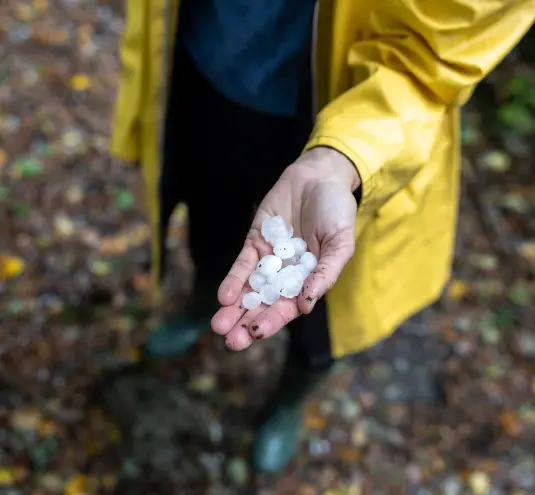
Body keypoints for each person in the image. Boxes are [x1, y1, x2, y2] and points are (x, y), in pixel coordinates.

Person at [111, 0, 533, 473]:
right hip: (204, 67)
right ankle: (201, 302)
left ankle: (290, 399)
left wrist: (343, 156)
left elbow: (438, 54)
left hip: (352, 123)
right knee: (211, 217)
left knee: (324, 305)